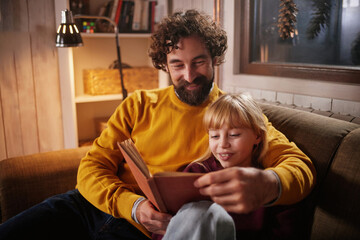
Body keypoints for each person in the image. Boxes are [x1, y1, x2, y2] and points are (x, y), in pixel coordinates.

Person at [0, 10, 316, 240]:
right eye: (178, 65)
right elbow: (90, 168)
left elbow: (298, 166)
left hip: (142, 231)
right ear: (164, 65)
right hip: (91, 205)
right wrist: (133, 205)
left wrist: (270, 185)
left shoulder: (231, 116)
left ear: (215, 59)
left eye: (199, 62)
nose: (189, 75)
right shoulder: (138, 104)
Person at [153, 93, 308, 240]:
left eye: (234, 135)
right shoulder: (196, 171)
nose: (223, 144)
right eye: (214, 136)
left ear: (258, 136)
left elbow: (288, 233)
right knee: (199, 213)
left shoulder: (267, 184)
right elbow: (167, 230)